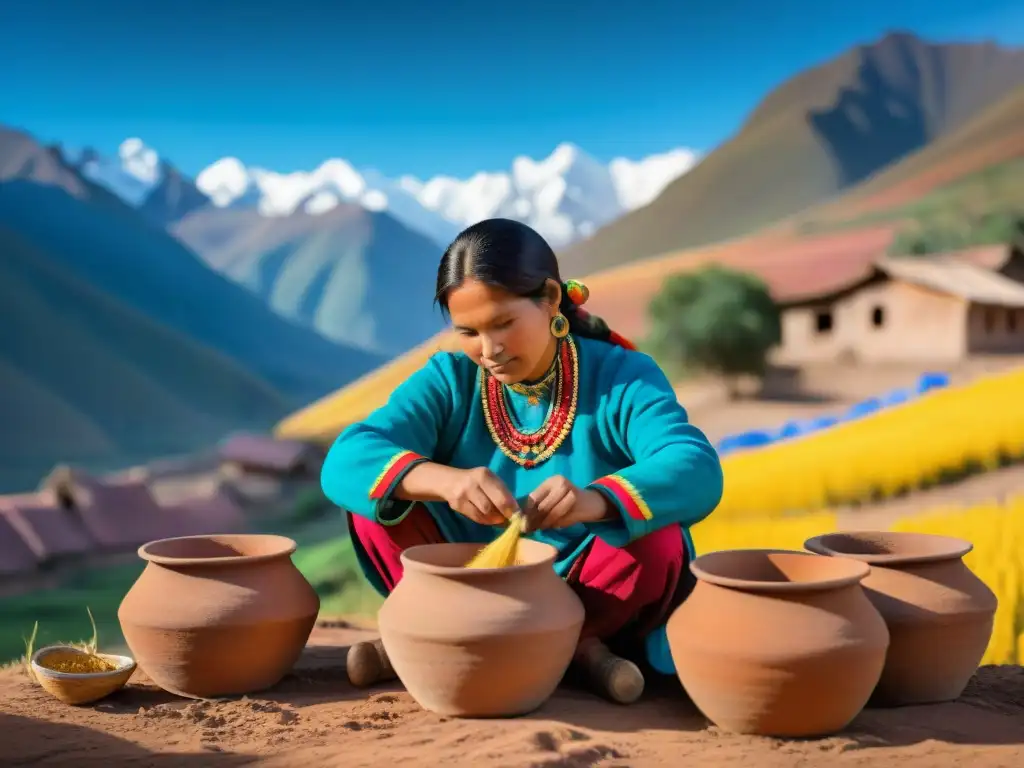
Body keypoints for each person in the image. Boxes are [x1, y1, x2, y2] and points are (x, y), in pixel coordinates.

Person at [320, 217, 724, 705]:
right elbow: (346, 458)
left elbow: (696, 466)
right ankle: (497, 638)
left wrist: (598, 499)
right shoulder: (451, 379)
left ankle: (548, 639)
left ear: (551, 298)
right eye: (468, 331)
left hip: (581, 586)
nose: (488, 350)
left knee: (658, 538)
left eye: (503, 324)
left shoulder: (621, 376)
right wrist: (442, 482)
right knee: (378, 501)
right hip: (467, 573)